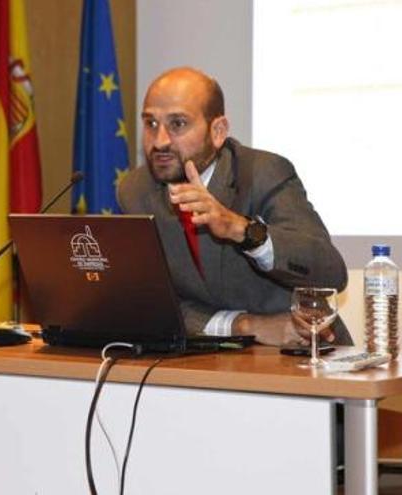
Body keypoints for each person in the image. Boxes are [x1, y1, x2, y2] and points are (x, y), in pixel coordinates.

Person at [118, 67, 351, 346]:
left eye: (177, 124)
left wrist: (242, 229)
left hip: (304, 352)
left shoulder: (263, 173)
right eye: (151, 124)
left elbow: (331, 273)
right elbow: (154, 304)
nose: (160, 141)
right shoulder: (136, 191)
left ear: (218, 132)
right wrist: (247, 325)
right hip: (211, 358)